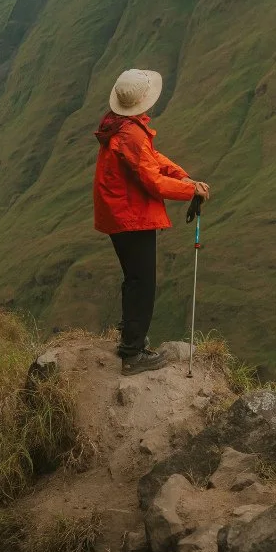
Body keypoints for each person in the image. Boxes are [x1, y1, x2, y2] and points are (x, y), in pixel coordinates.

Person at [92, 68, 210, 372]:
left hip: (119, 210)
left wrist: (181, 175)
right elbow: (151, 180)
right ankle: (133, 353)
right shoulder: (131, 133)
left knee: (134, 277)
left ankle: (132, 339)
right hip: (130, 215)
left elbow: (151, 159)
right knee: (142, 281)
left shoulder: (121, 125)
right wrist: (189, 190)